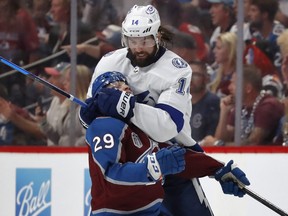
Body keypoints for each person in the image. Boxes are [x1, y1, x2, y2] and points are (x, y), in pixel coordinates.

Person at [79, 5, 248, 216]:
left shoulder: (176, 69)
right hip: (132, 161)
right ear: (125, 39)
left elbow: (167, 127)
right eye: (133, 41)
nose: (139, 47)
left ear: (157, 36)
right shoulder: (109, 63)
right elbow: (92, 120)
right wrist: (87, 115)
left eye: (145, 41)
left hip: (173, 158)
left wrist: (127, 107)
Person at [86, 71, 250, 215]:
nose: (124, 87)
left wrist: (218, 168)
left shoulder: (140, 126)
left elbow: (178, 157)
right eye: (115, 85)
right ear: (101, 96)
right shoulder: (104, 125)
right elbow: (107, 178)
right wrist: (151, 167)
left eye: (124, 83)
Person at [203, 65, 284, 146]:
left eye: (234, 83)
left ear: (248, 88)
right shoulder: (241, 106)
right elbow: (222, 138)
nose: (229, 87)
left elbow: (253, 142)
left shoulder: (268, 106)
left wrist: (218, 144)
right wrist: (224, 112)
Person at [189, 61, 220, 144]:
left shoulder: (213, 103)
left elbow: (211, 138)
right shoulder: (179, 102)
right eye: (187, 74)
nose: (190, 78)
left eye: (195, 74)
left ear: (206, 79)